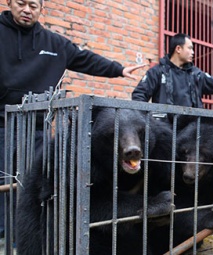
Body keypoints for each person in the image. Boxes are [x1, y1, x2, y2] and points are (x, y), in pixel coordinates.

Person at [0, 0, 147, 239]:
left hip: (38, 127)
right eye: (21, 3)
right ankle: (4, 235)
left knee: (34, 183)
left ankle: (26, 237)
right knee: (5, 182)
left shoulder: (54, 43)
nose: (27, 10)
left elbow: (84, 58)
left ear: (41, 8)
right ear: (9, 3)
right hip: (2, 125)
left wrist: (118, 70)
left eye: (33, 5)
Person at [132, 33, 213, 107]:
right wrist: (148, 122)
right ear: (178, 49)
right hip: (165, 135)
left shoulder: (196, 75)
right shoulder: (157, 72)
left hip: (192, 135)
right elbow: (139, 96)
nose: (193, 52)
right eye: (190, 48)